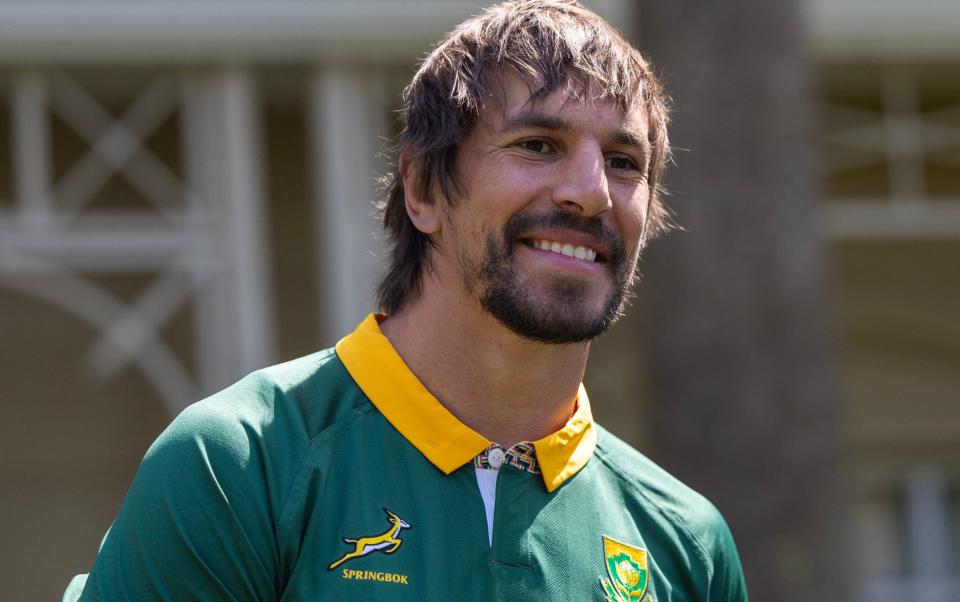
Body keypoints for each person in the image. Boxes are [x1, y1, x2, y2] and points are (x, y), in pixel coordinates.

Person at [65, 1, 748, 600]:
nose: (592, 192)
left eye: (625, 163)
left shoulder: (687, 543)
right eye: (539, 144)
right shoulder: (238, 464)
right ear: (422, 189)